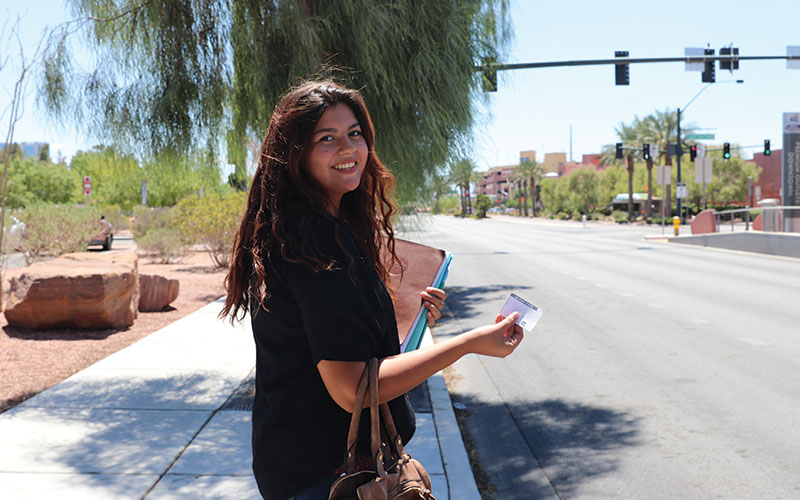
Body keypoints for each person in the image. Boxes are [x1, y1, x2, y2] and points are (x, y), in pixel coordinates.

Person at [221, 80, 524, 500]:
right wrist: (468, 344)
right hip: (328, 475)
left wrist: (403, 318)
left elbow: (324, 335)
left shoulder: (299, 232)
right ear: (296, 154)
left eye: (355, 134)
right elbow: (351, 389)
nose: (348, 149)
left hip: (298, 461)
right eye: (326, 139)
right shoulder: (316, 244)